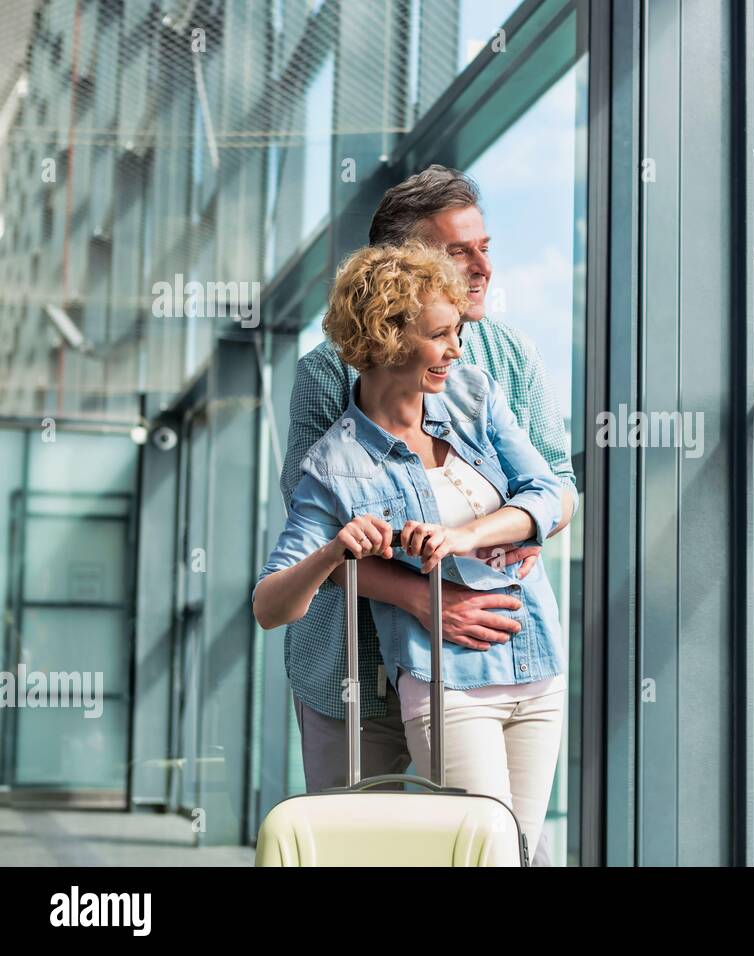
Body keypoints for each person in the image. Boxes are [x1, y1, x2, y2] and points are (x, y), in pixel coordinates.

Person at [280, 165, 575, 864]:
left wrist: (518, 523)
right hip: (353, 670)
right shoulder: (327, 376)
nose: (482, 267)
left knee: (496, 849)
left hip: (487, 661)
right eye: (457, 251)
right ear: (399, 265)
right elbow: (317, 537)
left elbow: (557, 486)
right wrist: (424, 596)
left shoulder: (505, 360)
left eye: (484, 246)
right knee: (359, 851)